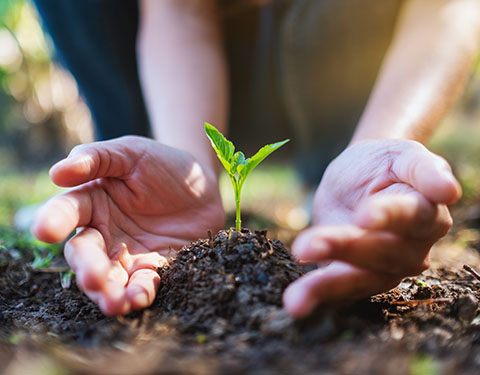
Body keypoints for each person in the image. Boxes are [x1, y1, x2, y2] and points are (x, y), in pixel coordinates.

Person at [30, 0, 480, 317]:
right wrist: (189, 165)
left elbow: (445, 8)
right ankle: (137, 173)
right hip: (187, 82)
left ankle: (340, 165)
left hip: (340, 67)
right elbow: (179, 12)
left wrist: (383, 140)